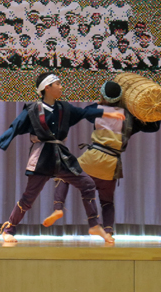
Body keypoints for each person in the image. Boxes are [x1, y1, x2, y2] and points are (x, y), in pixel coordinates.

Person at [0, 73, 125, 243]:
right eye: (58, 84)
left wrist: (107, 114)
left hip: (61, 156)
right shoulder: (33, 110)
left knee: (87, 184)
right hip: (42, 156)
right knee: (29, 197)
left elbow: (85, 112)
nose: (61, 86)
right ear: (47, 88)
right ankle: (9, 228)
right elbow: (15, 127)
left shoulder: (64, 108)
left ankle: (94, 224)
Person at [42, 81, 160, 240]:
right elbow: (153, 127)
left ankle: (58, 207)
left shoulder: (96, 111)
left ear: (103, 95)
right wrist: (151, 111)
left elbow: (86, 111)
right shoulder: (129, 118)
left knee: (63, 175)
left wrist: (101, 102)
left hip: (92, 158)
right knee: (107, 202)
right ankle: (109, 233)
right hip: (111, 165)